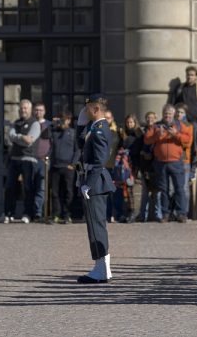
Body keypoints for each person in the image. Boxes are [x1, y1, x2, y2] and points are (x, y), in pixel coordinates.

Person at [76, 93, 116, 283]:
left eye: (87, 108)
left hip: (96, 182)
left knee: (96, 225)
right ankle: (102, 267)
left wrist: (88, 184)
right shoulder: (94, 127)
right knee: (95, 225)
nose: (85, 111)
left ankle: (102, 270)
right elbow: (80, 146)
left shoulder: (100, 129)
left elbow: (100, 161)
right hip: (94, 180)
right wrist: (80, 125)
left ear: (96, 108)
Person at [144, 104, 191, 223]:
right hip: (161, 163)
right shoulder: (156, 126)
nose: (167, 116)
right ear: (162, 114)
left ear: (173, 114)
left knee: (179, 189)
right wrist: (157, 135)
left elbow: (188, 140)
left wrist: (176, 134)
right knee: (163, 190)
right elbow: (147, 139)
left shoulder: (180, 125)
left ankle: (181, 214)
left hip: (176, 162)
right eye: (165, 114)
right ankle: (165, 214)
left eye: (169, 114)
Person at [2, 99, 41, 224]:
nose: (23, 110)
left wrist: (17, 138)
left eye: (25, 108)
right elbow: (10, 136)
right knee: (10, 187)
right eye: (21, 108)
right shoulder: (16, 123)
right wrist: (22, 137)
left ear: (30, 110)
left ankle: (27, 214)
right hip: (14, 159)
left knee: (28, 188)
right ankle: (8, 214)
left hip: (28, 159)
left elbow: (30, 141)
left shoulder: (35, 124)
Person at [49, 112, 79, 224]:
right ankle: (56, 215)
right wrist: (52, 124)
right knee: (55, 192)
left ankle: (67, 215)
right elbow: (45, 136)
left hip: (68, 167)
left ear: (69, 121)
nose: (62, 122)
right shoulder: (54, 132)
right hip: (55, 166)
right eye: (61, 119)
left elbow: (77, 150)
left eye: (65, 120)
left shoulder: (73, 133)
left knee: (68, 192)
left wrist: (73, 164)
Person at [135, 111, 157, 222]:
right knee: (145, 192)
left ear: (155, 119)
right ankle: (143, 215)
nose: (149, 120)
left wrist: (151, 154)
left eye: (151, 118)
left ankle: (156, 215)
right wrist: (142, 153)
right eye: (148, 118)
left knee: (156, 192)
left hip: (156, 165)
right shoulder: (142, 132)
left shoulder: (158, 130)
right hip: (144, 165)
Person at [175, 103, 195, 217]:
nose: (179, 114)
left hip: (184, 160)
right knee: (174, 187)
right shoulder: (172, 124)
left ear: (185, 114)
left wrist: (176, 135)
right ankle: (175, 211)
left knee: (184, 187)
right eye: (178, 112)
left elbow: (187, 142)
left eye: (181, 112)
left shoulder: (189, 126)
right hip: (173, 160)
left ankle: (184, 211)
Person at [32, 103, 50, 222]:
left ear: (44, 111)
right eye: (36, 110)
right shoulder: (30, 124)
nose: (38, 112)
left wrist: (48, 156)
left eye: (41, 110)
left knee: (41, 187)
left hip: (44, 160)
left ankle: (39, 213)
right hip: (31, 160)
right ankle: (30, 212)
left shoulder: (49, 125)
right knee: (30, 187)